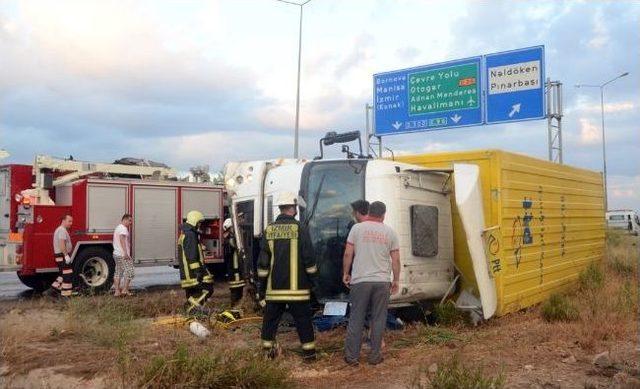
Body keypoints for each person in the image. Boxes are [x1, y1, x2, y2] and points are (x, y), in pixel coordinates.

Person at [257, 192, 318, 362]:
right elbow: (309, 261)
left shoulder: (269, 230)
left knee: (269, 323)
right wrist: (314, 283)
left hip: (274, 291)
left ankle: (268, 355)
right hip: (298, 291)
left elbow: (262, 264)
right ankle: (310, 356)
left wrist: (261, 289)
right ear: (293, 208)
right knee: (303, 322)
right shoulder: (300, 229)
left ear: (281, 208)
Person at [342, 201, 400, 366]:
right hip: (382, 281)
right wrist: (395, 280)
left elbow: (348, 253)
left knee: (356, 318)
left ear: (370, 212)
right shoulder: (390, 232)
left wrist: (346, 273)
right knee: (378, 319)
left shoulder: (357, 229)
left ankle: (352, 357)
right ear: (383, 215)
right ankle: (374, 356)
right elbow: (395, 259)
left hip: (360, 281)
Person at [178, 210, 215, 317]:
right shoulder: (190, 235)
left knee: (195, 293)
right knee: (208, 288)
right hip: (191, 273)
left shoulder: (187, 233)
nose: (200, 225)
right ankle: (192, 308)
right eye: (199, 222)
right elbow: (192, 256)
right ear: (194, 221)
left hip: (187, 272)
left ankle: (193, 310)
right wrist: (198, 272)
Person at [45, 214, 74, 298]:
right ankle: (66, 296)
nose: (71, 223)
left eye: (71, 221)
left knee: (62, 274)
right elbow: (62, 243)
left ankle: (52, 290)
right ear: (63, 221)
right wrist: (66, 255)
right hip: (62, 255)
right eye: (69, 221)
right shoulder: (62, 230)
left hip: (60, 255)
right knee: (68, 274)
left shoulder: (60, 230)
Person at [223, 218, 245, 304]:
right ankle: (234, 307)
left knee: (238, 290)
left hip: (235, 271)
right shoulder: (230, 239)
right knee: (236, 291)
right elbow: (237, 246)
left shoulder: (229, 238)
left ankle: (236, 306)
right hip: (235, 272)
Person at [113, 214, 134, 296]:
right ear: (124, 220)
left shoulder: (118, 227)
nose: (130, 223)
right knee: (130, 271)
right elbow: (122, 239)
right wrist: (125, 253)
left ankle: (117, 291)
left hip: (116, 253)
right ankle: (125, 290)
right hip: (122, 254)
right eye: (129, 220)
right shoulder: (123, 229)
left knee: (118, 272)